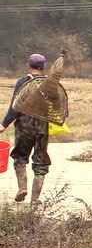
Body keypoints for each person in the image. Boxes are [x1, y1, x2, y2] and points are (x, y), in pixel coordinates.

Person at [0, 54, 51, 204]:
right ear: (43, 67)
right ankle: (35, 200)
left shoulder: (22, 82)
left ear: (29, 65)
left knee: (20, 157)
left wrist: (4, 124)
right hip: (42, 126)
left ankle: (22, 188)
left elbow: (15, 107)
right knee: (40, 162)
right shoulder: (49, 83)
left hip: (24, 126)